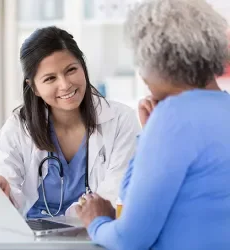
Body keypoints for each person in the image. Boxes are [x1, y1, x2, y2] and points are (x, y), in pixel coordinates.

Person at [75, 0, 230, 249]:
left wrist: (97, 220)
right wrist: (150, 134)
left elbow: (129, 239)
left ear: (156, 59)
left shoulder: (173, 117)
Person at [0, 26, 141, 218]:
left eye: (71, 70)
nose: (65, 84)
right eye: (50, 78)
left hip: (95, 232)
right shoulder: (18, 127)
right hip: (34, 239)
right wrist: (2, 188)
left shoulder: (121, 120)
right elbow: (7, 176)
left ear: (83, 67)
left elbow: (117, 190)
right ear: (34, 87)